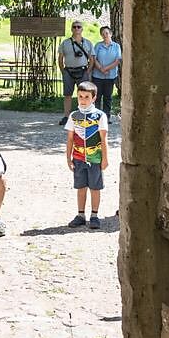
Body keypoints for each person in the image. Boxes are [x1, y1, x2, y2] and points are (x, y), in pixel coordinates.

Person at [65, 81, 108, 228]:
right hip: (78, 157)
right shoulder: (73, 116)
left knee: (95, 187)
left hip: (95, 158)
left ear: (94, 98)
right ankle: (80, 214)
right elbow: (70, 138)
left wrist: (105, 159)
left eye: (86, 97)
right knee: (81, 186)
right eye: (80, 96)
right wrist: (68, 158)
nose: (83, 100)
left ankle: (95, 215)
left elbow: (103, 139)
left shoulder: (100, 116)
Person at [57, 20, 95, 125]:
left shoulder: (87, 43)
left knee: (85, 94)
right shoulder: (65, 43)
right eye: (74, 27)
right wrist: (63, 71)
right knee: (67, 94)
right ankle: (66, 116)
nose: (76, 29)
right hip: (68, 71)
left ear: (82, 29)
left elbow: (92, 59)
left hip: (83, 71)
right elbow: (60, 58)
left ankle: (86, 115)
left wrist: (88, 71)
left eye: (79, 27)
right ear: (71, 29)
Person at [91, 25, 122, 119]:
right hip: (97, 76)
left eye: (107, 33)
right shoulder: (98, 45)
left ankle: (106, 117)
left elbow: (117, 61)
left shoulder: (116, 46)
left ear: (111, 34)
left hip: (110, 76)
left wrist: (106, 69)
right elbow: (94, 59)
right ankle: (96, 117)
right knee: (97, 97)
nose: (105, 35)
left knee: (108, 97)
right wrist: (101, 69)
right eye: (103, 33)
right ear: (101, 35)